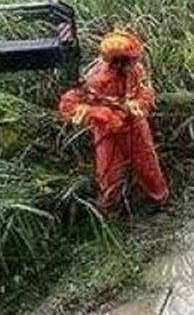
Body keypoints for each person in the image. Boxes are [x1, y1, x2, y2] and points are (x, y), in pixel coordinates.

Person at [57, 29, 169, 209]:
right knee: (109, 174)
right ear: (118, 62)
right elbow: (67, 105)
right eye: (131, 60)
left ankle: (160, 200)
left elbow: (146, 91)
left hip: (135, 125)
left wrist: (138, 104)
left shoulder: (136, 70)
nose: (136, 63)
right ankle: (110, 210)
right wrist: (102, 114)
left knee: (148, 165)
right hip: (108, 132)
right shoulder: (94, 79)